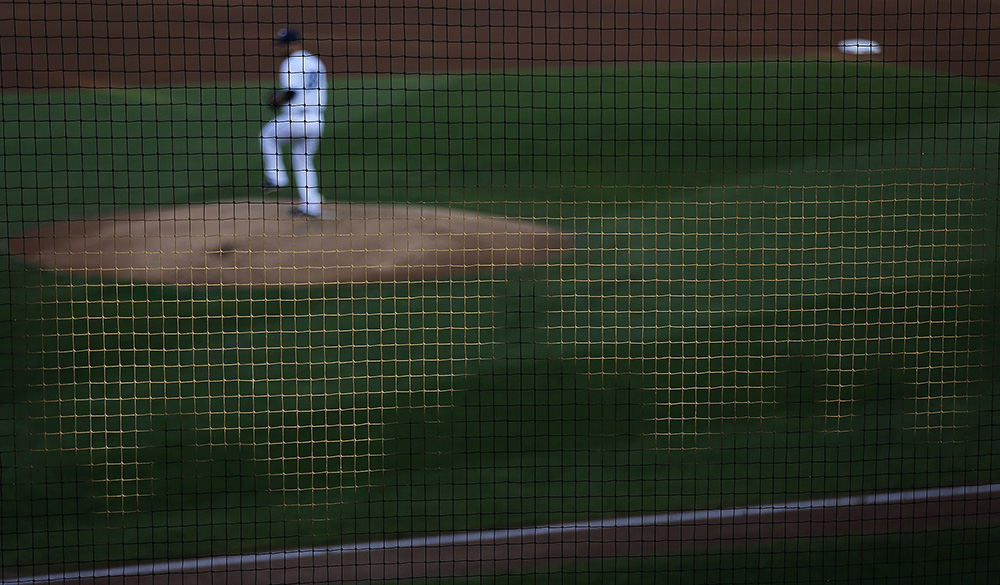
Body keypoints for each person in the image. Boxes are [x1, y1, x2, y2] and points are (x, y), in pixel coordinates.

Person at [260, 28, 329, 217]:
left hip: (296, 118)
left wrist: (275, 99)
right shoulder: (315, 61)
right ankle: (311, 205)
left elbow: (291, 92)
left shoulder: (291, 63)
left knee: (267, 136)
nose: (279, 48)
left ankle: (276, 177)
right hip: (317, 120)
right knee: (303, 162)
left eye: (282, 44)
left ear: (293, 43)